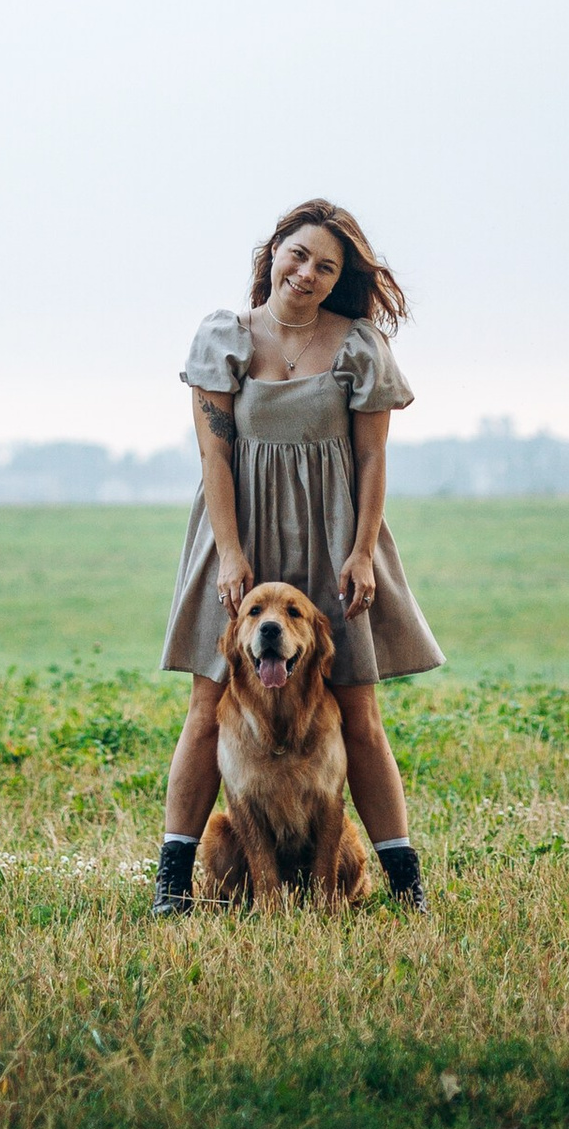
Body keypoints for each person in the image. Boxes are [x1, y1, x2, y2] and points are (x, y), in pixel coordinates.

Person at [154, 195, 442, 914]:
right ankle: (172, 887)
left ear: (339, 278)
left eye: (326, 266)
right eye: (298, 253)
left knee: (357, 710)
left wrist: (363, 550)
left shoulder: (359, 345)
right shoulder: (225, 336)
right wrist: (229, 553)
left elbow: (372, 458)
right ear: (273, 251)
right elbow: (213, 453)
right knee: (208, 701)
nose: (307, 272)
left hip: (334, 533)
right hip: (238, 531)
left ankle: (405, 887)